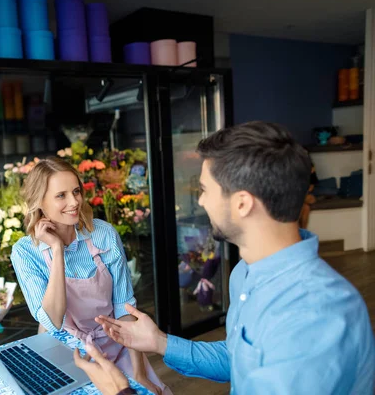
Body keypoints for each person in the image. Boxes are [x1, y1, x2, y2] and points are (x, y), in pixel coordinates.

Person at [74, 121, 375, 394]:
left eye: (205, 189)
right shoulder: (245, 273)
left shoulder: (315, 313)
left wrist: (120, 392)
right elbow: (239, 358)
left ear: (243, 203)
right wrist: (158, 342)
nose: (201, 200)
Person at [11, 157, 171, 394]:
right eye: (61, 195)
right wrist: (57, 250)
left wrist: (138, 373)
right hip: (64, 353)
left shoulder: (103, 234)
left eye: (76, 191)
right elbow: (53, 321)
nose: (74, 201)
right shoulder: (25, 252)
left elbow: (124, 308)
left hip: (116, 343)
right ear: (39, 202)